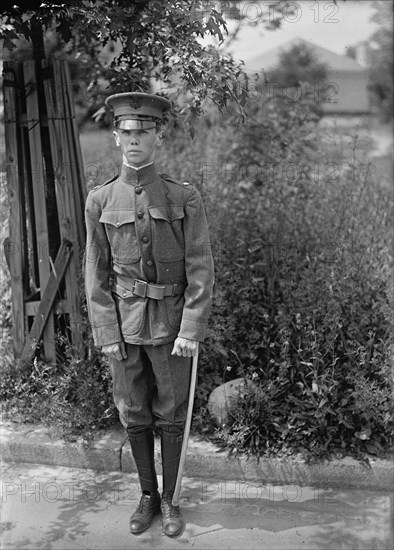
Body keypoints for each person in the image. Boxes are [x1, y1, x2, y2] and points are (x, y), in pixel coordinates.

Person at [84, 92, 214, 538]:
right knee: (134, 412)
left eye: (144, 131)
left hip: (172, 325)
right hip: (123, 325)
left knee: (172, 413)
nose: (135, 139)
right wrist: (106, 330)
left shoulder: (183, 196)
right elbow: (95, 273)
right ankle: (148, 496)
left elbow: (201, 266)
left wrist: (192, 327)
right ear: (117, 138)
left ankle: (173, 499)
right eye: (127, 132)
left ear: (159, 136)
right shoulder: (101, 200)